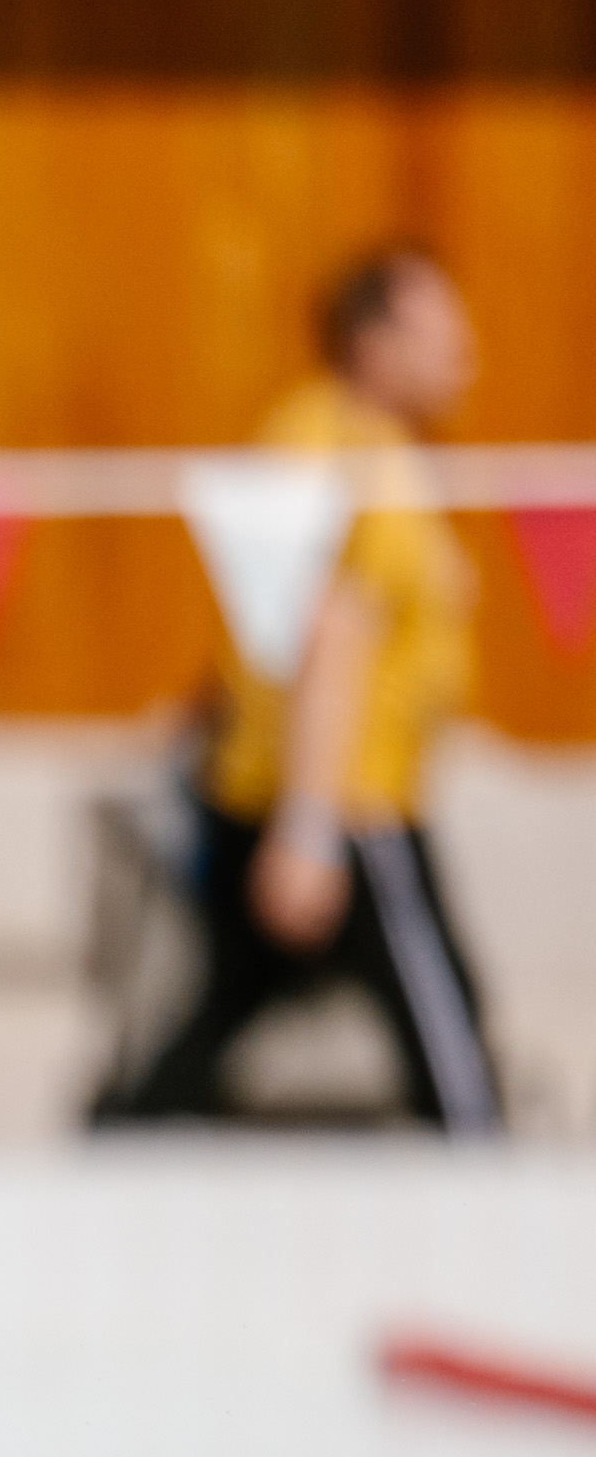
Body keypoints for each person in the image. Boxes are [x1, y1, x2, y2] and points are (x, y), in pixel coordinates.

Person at [102, 245, 504, 1137]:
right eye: (443, 328)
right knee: (451, 1041)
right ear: (374, 338)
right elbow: (324, 632)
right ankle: (500, 1203)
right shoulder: (334, 447)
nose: (467, 349)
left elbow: (262, 628)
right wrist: (310, 824)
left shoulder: (366, 447)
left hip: (320, 793)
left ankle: (117, 1148)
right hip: (347, 804)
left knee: (227, 1010)